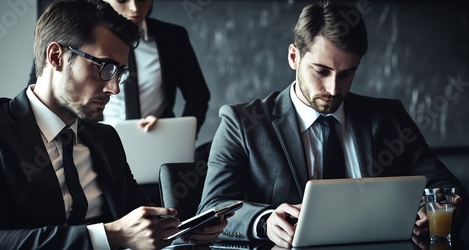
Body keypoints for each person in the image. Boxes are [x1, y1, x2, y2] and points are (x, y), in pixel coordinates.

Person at [196, 2, 467, 248]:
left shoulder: (389, 118)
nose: (333, 89)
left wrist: (437, 209)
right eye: (321, 71)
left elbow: (446, 187)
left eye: (347, 74)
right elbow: (212, 208)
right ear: (294, 57)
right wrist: (265, 221)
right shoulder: (242, 123)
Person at [0, 0, 225, 249]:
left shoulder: (105, 139)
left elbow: (140, 218)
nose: (114, 88)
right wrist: (108, 236)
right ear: (56, 56)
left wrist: (186, 230)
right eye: (105, 67)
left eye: (119, 73)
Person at [29, 0, 211, 134]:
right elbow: (45, 93)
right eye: (123, 0)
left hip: (155, 143)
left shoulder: (172, 38)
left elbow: (198, 98)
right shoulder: (71, 37)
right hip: (93, 142)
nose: (134, 8)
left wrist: (173, 132)